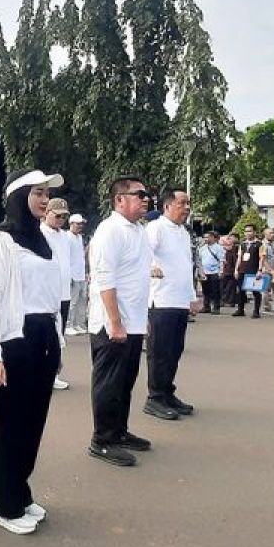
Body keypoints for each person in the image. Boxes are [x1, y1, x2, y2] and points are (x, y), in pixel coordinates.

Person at [0, 168, 65, 534]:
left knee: (32, 424)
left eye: (46, 194)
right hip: (14, 342)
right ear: (18, 197)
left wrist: (57, 345)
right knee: (9, 426)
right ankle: (1, 503)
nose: (44, 200)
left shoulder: (45, 241)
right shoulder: (3, 242)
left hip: (43, 339)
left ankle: (20, 493)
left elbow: (51, 300)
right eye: (37, 193)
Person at [86, 177, 154, 468]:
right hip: (112, 325)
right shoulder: (109, 231)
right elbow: (105, 279)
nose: (145, 199)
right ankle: (102, 440)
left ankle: (119, 432)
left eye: (146, 195)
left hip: (134, 321)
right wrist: (115, 322)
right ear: (119, 200)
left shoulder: (138, 230)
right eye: (139, 195)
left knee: (125, 383)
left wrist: (141, 319)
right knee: (109, 384)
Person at [144, 190, 197, 421]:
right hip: (161, 300)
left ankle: (167, 392)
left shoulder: (184, 232)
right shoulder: (156, 228)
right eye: (181, 203)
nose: (186, 207)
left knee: (175, 350)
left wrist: (192, 296)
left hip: (180, 300)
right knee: (160, 351)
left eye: (188, 203)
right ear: (167, 206)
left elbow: (187, 265)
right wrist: (151, 268)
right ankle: (155, 397)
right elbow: (142, 254)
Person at [40, 198, 74, 391]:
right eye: (57, 215)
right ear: (47, 213)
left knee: (59, 336)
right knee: (48, 337)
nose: (61, 219)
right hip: (48, 295)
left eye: (64, 216)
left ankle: (53, 374)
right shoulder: (40, 233)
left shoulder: (65, 236)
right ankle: (44, 374)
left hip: (64, 293)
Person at [233, 224, 263, 318]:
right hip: (243, 269)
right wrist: (236, 269)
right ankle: (240, 310)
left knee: (255, 291)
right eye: (246, 231)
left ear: (254, 232)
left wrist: (260, 270)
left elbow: (262, 258)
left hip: (254, 270)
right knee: (241, 291)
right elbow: (239, 257)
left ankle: (256, 311)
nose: (248, 233)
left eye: (250, 231)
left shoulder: (259, 244)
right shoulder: (243, 244)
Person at [66, 213, 89, 333]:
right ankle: (68, 325)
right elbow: (66, 257)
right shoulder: (67, 237)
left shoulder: (79, 237)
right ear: (71, 224)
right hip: (72, 274)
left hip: (81, 274)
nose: (80, 226)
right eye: (78, 224)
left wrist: (85, 272)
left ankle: (78, 324)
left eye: (81, 224)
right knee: (72, 301)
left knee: (82, 300)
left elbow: (80, 256)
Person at [197, 231, 223, 314]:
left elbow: (222, 260)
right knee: (205, 290)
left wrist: (221, 271)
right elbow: (199, 260)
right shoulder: (202, 248)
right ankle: (206, 306)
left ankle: (216, 307)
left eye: (208, 237)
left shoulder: (219, 248)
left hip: (215, 271)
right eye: (205, 237)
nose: (206, 239)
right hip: (204, 272)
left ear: (213, 238)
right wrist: (200, 272)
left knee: (215, 290)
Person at [220, 234, 238, 307]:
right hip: (224, 271)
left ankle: (231, 301)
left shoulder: (235, 248)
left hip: (232, 270)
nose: (228, 240)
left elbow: (236, 259)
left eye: (229, 239)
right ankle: (223, 300)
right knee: (223, 287)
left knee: (232, 287)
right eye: (227, 239)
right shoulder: (221, 249)